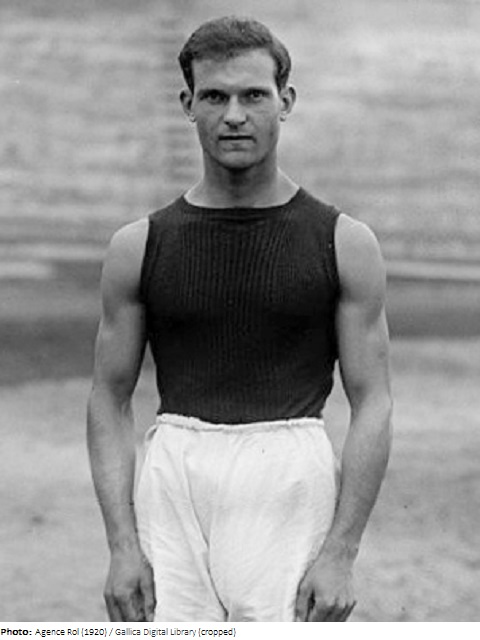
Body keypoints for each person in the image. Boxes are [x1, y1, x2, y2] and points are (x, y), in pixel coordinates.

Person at [87, 16, 393, 623]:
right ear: (188, 105)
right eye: (214, 97)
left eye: (253, 95)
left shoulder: (344, 243)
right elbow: (108, 398)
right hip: (174, 479)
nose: (234, 115)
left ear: (286, 101)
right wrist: (122, 547)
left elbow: (374, 401)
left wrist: (341, 551)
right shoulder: (139, 245)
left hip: (289, 478)